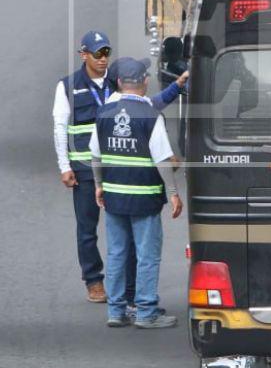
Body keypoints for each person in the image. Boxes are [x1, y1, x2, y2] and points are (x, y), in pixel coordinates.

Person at [53, 30, 185, 303]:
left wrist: (178, 86)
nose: (103, 59)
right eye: (97, 53)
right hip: (84, 169)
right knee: (87, 229)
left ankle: (127, 288)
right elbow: (59, 128)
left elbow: (146, 105)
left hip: (115, 170)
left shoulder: (114, 84)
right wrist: (64, 165)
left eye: (106, 53)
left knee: (124, 234)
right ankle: (93, 281)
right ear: (84, 55)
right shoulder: (67, 87)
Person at [90, 57, 183, 329]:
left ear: (119, 83)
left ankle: (116, 311)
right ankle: (145, 312)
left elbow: (95, 155)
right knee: (147, 255)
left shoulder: (104, 113)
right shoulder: (151, 116)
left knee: (117, 253)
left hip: (114, 196)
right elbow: (163, 160)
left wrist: (99, 185)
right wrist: (174, 193)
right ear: (145, 82)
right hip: (145, 197)